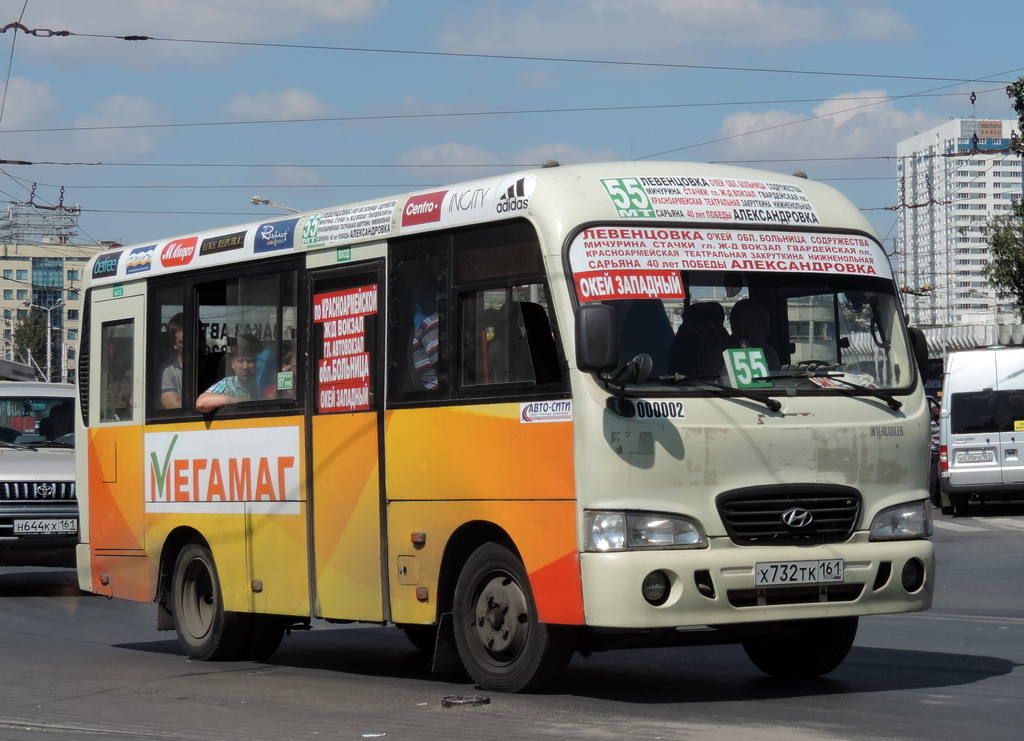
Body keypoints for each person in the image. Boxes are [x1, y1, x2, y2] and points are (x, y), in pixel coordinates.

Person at [700, 298, 781, 376]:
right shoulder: (718, 355)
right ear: (743, 326)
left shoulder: (769, 353)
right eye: (762, 325)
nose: (769, 331)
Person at [196, 333, 262, 412]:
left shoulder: (264, 381)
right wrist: (241, 401)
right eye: (240, 361)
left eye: (250, 361)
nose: (245, 367)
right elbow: (201, 403)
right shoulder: (228, 384)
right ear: (232, 363)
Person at [160, 313, 185, 409]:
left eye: (194, 338)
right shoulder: (169, 372)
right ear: (174, 344)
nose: (190, 345)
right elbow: (173, 406)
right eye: (183, 342)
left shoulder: (215, 365)